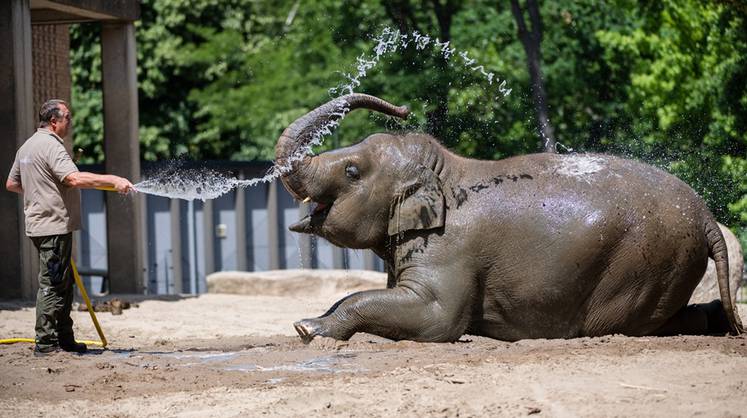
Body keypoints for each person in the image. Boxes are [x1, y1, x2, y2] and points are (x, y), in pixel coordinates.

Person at [5, 99, 133, 356]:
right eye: (67, 118)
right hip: (52, 227)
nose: (69, 122)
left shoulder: (27, 147)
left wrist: (39, 195)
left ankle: (64, 339)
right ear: (54, 121)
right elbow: (73, 178)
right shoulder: (52, 147)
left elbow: (12, 184)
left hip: (41, 224)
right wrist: (114, 180)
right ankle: (46, 343)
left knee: (63, 282)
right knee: (53, 284)